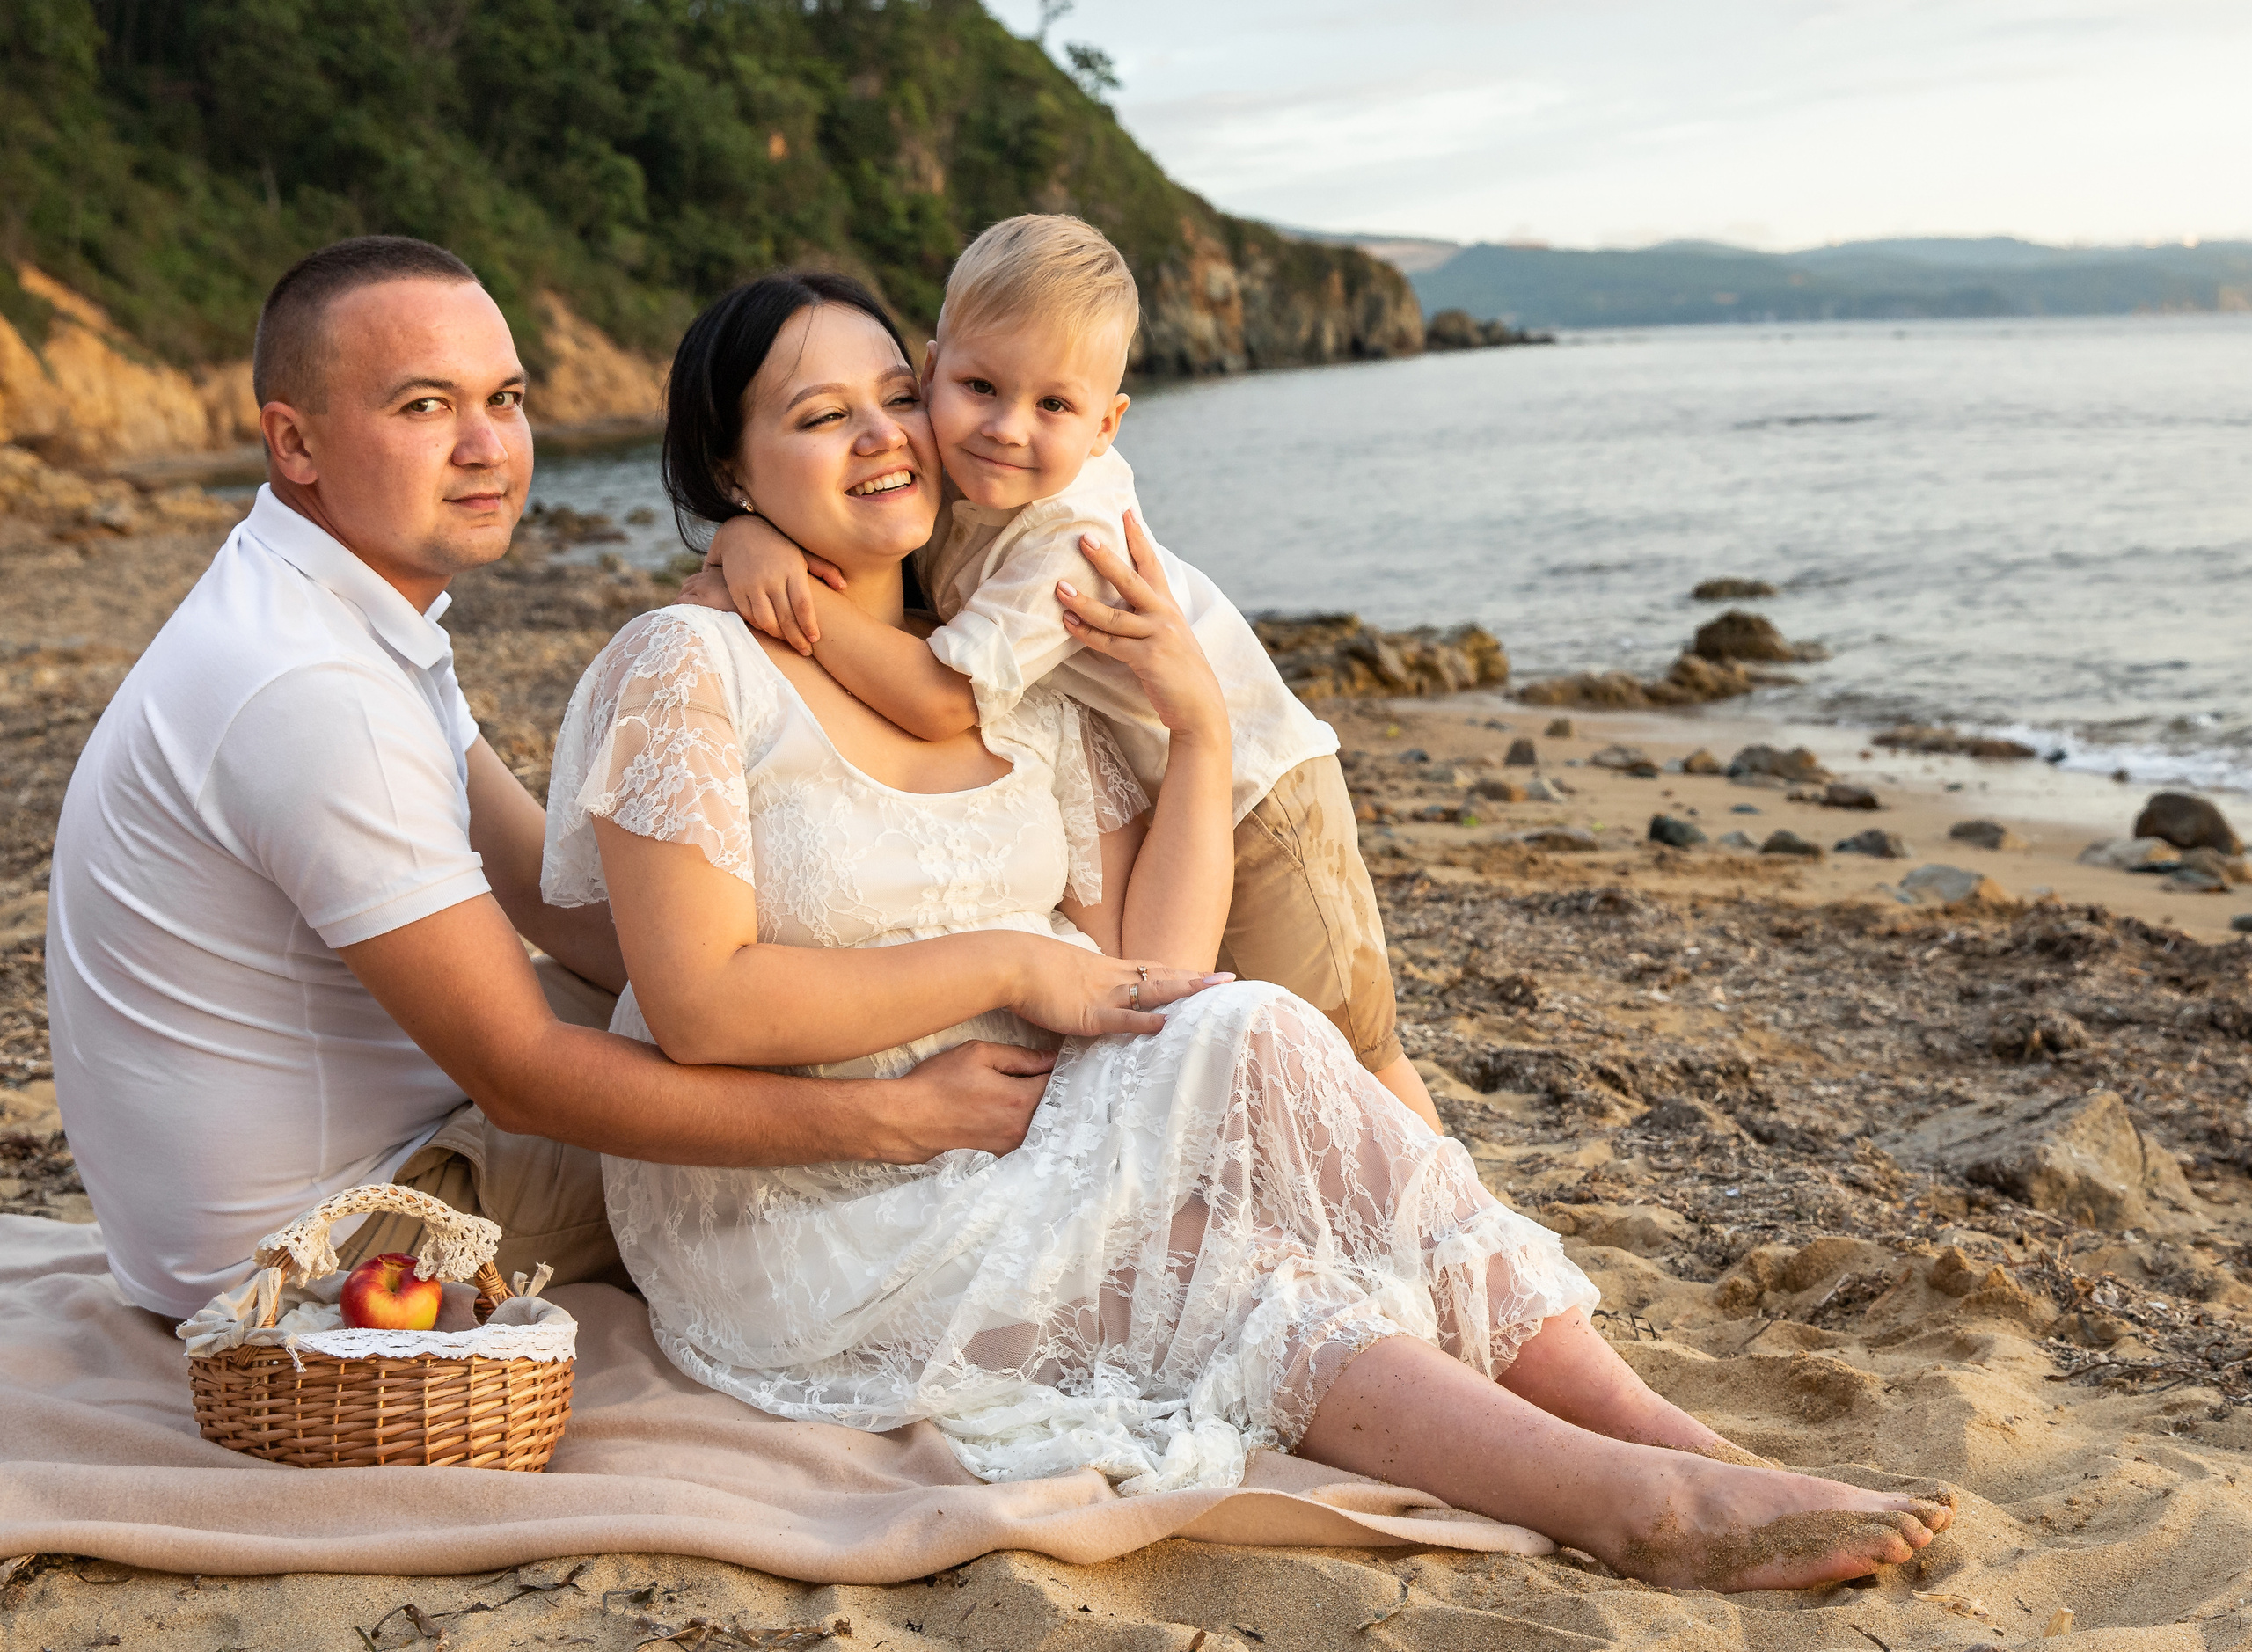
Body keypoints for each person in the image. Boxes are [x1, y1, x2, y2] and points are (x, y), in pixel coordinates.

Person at [552, 268, 1955, 1590]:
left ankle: (1663, 1439)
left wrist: (1198, 724)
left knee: (1259, 1049)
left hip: (1011, 1128)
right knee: (1226, 1256)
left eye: (892, 395)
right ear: (732, 473)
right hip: (797, 1206)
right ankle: (1635, 1504)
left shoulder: (1011, 667)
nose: (884, 436)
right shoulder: (690, 662)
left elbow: (1151, 980)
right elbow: (702, 1007)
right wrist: (1008, 962)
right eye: (816, 416)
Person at [45, 235, 1145, 1320]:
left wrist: (808, 978)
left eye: (505, 397)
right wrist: (900, 1112)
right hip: (326, 1242)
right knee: (879, 1126)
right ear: (295, 442)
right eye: (424, 408)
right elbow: (525, 1076)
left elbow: (547, 898)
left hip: (313, 1173)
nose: (488, 448)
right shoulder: (311, 689)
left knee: (725, 988)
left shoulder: (321, 606)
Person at [691, 216, 1440, 1131]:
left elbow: (938, 696)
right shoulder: (955, 483)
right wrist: (744, 530)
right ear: (931, 374)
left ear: (1106, 424)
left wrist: (793, 598)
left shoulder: (1070, 538)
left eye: (1053, 406)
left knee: (1350, 1042)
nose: (1006, 429)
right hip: (1163, 791)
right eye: (978, 387)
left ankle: (1454, 1214)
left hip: (1261, 791)